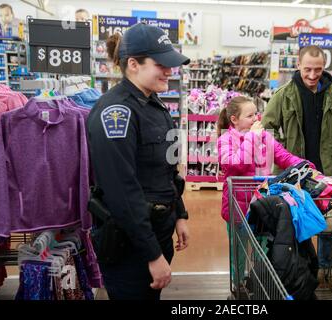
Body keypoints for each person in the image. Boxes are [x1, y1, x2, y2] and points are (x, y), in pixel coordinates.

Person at [86, 23, 190, 300]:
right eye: (161, 64)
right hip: (131, 247)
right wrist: (152, 254)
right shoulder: (115, 113)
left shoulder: (155, 105)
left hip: (158, 231)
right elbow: (122, 193)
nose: (170, 70)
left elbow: (168, 171)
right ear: (133, 64)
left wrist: (179, 213)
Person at [261, 45, 332, 282]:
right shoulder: (283, 95)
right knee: (292, 222)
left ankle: (327, 270)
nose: (313, 75)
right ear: (298, 65)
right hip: (294, 174)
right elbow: (267, 128)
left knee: (329, 224)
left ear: (324, 68)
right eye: (308, 70)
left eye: (318, 70)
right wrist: (282, 152)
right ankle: (298, 269)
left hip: (326, 172)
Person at [217, 96, 313, 295]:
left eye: (256, 114)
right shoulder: (225, 140)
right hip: (238, 208)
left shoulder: (265, 137)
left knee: (263, 251)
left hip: (264, 205)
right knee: (239, 253)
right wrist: (251, 138)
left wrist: (306, 166)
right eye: (250, 115)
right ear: (234, 119)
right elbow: (235, 164)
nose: (256, 119)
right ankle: (238, 286)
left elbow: (284, 156)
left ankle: (260, 283)